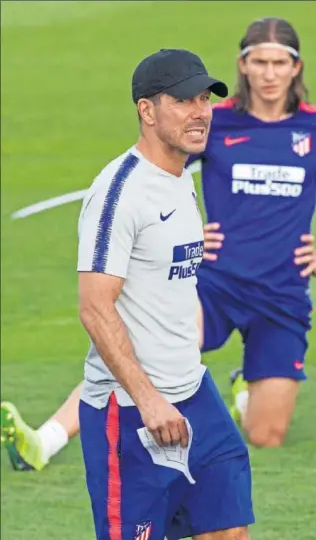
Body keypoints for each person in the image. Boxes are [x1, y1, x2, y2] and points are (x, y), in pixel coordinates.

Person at [1, 16, 316, 469]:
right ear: (243, 64)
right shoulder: (214, 120)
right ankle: (45, 441)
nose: (270, 73)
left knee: (265, 435)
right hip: (215, 286)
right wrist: (188, 232)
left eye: (280, 63)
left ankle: (244, 393)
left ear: (296, 68)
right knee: (135, 352)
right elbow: (159, 171)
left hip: (283, 296)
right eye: (260, 62)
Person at [65, 48, 257, 539]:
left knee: (229, 528)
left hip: (195, 393)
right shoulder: (119, 194)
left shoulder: (180, 179)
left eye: (204, 99)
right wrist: (149, 400)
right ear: (146, 111)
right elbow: (94, 305)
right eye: (183, 101)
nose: (200, 112)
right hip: (130, 411)